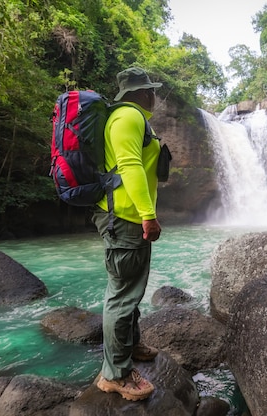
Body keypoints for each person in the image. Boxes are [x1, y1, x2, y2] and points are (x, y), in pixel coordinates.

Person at [92, 67, 163, 401]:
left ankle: (130, 345)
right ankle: (115, 375)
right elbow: (130, 166)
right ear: (143, 93)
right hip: (124, 217)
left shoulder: (130, 117)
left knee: (130, 288)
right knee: (121, 295)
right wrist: (148, 215)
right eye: (151, 90)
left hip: (127, 217)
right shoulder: (128, 118)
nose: (155, 95)